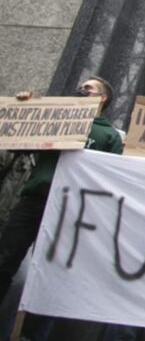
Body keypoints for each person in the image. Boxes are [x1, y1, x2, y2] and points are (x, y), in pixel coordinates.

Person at [0, 77, 123, 305]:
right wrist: (23, 108)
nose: (81, 89)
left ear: (102, 98)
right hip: (34, 201)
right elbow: (15, 144)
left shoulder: (109, 136)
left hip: (71, 210)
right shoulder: (56, 116)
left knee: (52, 274)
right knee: (5, 259)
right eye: (81, 86)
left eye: (88, 88)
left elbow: (108, 179)